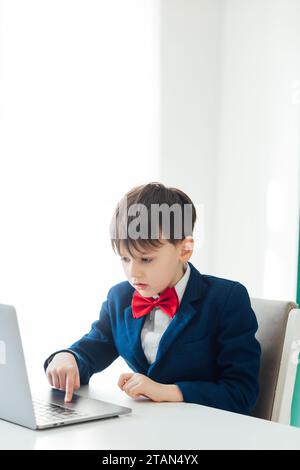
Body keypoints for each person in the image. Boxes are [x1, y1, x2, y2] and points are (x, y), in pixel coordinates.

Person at [44, 182, 261, 415]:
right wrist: (68, 358)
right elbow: (93, 348)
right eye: (125, 259)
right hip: (147, 429)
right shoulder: (120, 297)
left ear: (184, 249)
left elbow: (242, 393)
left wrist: (168, 391)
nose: (133, 273)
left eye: (146, 259)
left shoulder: (226, 299)